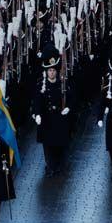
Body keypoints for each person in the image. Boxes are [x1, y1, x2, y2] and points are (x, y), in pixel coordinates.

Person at [32, 47, 71, 176]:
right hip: (47, 119)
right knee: (47, 145)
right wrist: (37, 114)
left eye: (54, 70)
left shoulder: (63, 84)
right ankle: (50, 166)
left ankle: (57, 164)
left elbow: (71, 98)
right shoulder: (40, 85)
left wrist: (68, 107)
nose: (52, 73)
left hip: (59, 118)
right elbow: (37, 102)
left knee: (58, 145)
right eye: (49, 70)